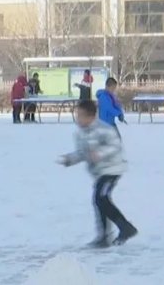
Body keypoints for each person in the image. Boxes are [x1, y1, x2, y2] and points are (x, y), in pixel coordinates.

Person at [57, 100, 138, 248]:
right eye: (77, 115)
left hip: (113, 169)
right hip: (100, 172)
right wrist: (69, 159)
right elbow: (82, 153)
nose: (78, 119)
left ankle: (125, 228)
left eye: (81, 116)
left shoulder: (104, 129)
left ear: (91, 116)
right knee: (99, 200)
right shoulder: (80, 134)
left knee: (101, 198)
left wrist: (100, 153)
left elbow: (115, 145)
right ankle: (104, 236)